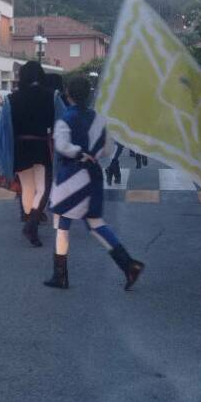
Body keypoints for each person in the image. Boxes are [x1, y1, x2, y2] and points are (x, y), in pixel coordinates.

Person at [44, 76, 145, 290]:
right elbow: (108, 149)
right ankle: (128, 265)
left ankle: (60, 275)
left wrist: (79, 152)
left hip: (71, 176)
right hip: (93, 174)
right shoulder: (100, 119)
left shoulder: (65, 118)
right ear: (89, 95)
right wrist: (92, 153)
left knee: (63, 224)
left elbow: (61, 145)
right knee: (96, 223)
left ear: (68, 94)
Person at [9, 62, 55, 247]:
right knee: (43, 188)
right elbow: (53, 122)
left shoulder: (13, 98)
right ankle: (32, 225)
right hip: (40, 144)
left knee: (27, 187)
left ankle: (30, 221)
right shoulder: (49, 96)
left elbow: (7, 126)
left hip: (20, 145)